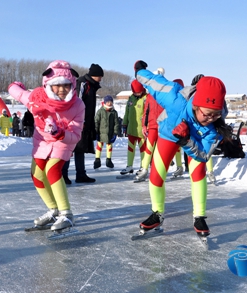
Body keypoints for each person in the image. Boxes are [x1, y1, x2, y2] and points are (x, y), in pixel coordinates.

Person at [134, 60, 232, 238]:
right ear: (196, 105)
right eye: (207, 113)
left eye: (216, 114)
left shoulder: (214, 128)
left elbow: (203, 155)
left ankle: (199, 216)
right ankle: (157, 213)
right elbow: (153, 82)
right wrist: (139, 70)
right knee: (156, 174)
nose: (211, 118)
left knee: (198, 172)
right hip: (168, 134)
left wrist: (186, 140)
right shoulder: (174, 98)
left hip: (191, 141)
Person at [8, 59, 85, 231]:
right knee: (36, 174)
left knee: (52, 170)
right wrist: (15, 84)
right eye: (57, 85)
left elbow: (76, 134)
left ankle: (66, 213)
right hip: (41, 141)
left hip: (63, 141)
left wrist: (61, 133)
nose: (62, 90)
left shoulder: (78, 105)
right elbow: (18, 93)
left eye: (66, 85)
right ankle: (53, 209)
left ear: (72, 84)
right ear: (48, 84)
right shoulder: (37, 98)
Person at [63, 63, 104, 184]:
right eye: (100, 76)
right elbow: (76, 101)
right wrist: (80, 120)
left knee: (80, 148)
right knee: (70, 148)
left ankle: (81, 174)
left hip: (85, 123)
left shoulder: (91, 85)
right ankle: (63, 174)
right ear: (94, 75)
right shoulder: (83, 83)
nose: (101, 79)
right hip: (77, 121)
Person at [120, 80, 147, 175]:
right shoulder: (131, 98)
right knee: (130, 148)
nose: (137, 93)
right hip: (131, 128)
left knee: (143, 149)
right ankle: (129, 166)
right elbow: (127, 112)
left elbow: (147, 113)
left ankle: (143, 167)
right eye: (135, 92)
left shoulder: (145, 98)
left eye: (139, 91)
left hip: (141, 131)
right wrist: (124, 124)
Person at [94, 95, 119, 169]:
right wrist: (96, 132)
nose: (109, 103)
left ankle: (109, 160)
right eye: (108, 102)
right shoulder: (100, 111)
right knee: (99, 146)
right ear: (104, 102)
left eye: (111, 102)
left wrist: (115, 133)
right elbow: (96, 122)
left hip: (110, 133)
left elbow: (116, 123)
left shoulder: (114, 112)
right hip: (101, 133)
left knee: (109, 146)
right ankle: (97, 160)